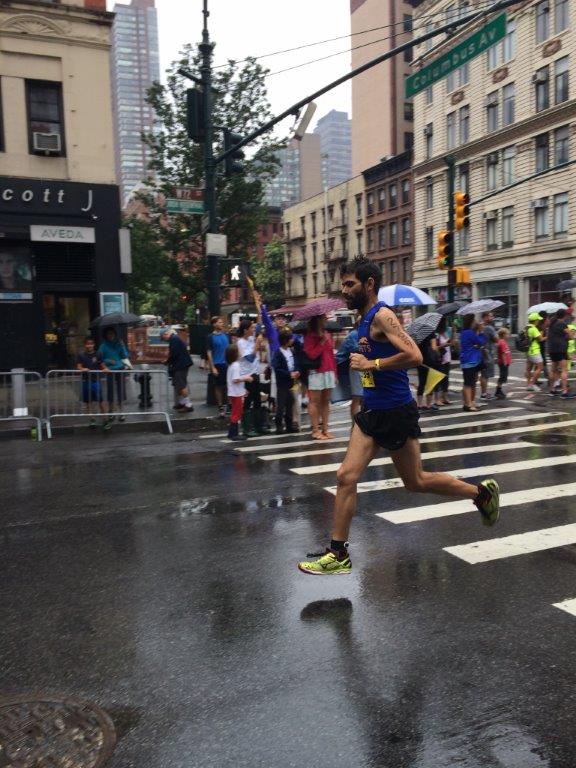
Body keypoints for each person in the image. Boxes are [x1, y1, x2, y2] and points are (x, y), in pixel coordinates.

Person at [297, 257, 500, 576]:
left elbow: (414, 356)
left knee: (416, 481)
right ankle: (338, 554)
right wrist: (360, 360)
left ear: (369, 284)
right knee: (346, 476)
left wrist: (371, 365)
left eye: (349, 284)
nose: (344, 291)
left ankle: (481, 494)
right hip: (372, 411)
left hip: (396, 412)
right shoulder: (364, 318)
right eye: (342, 285)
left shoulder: (383, 315)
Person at [303, 315, 337, 440]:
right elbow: (311, 355)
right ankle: (315, 430)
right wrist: (321, 342)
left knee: (326, 401)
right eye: (323, 318)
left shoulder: (327, 334)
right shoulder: (310, 336)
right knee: (314, 401)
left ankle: (325, 430)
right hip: (316, 371)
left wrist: (335, 373)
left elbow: (331, 355)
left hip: (328, 370)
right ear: (318, 320)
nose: (326, 320)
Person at [237, 318, 267, 436]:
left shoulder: (251, 338)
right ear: (245, 330)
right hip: (246, 376)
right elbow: (250, 358)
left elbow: (259, 325)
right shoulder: (240, 343)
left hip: (255, 373)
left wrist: (260, 313)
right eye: (251, 328)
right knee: (248, 401)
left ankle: (258, 426)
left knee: (257, 400)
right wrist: (257, 345)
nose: (253, 329)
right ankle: (247, 428)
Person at [271, 328, 301, 434]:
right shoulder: (278, 353)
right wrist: (289, 374)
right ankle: (279, 425)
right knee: (281, 403)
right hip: (282, 382)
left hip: (291, 382)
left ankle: (289, 424)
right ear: (285, 340)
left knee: (290, 402)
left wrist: (297, 371)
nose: (292, 340)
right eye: (290, 339)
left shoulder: (291, 351)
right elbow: (277, 368)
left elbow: (295, 362)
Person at [75, 337, 108, 428]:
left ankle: (105, 420)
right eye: (87, 344)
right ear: (85, 345)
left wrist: (105, 368)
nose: (89, 346)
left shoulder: (98, 354)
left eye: (91, 344)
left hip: (96, 380)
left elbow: (102, 364)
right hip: (86, 381)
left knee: (100, 401)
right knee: (88, 401)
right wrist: (83, 369)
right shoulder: (81, 355)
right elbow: (78, 367)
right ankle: (92, 419)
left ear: (93, 345)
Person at [98, 327, 129, 420]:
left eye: (112, 333)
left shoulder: (118, 344)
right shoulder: (103, 346)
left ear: (115, 335)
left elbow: (125, 356)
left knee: (121, 391)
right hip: (110, 370)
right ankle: (111, 412)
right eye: (109, 334)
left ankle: (121, 412)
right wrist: (108, 361)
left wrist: (123, 346)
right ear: (106, 335)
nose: (110, 335)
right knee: (110, 391)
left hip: (120, 369)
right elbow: (99, 357)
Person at [160, 326, 194, 413]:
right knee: (179, 385)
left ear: (166, 334)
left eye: (163, 338)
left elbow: (174, 354)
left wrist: (167, 361)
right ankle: (182, 402)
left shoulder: (174, 339)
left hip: (180, 365)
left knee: (181, 385)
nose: (164, 340)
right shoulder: (174, 339)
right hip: (181, 364)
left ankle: (188, 405)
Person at [334, 324, 363, 420]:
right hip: (356, 368)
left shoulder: (364, 334)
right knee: (357, 396)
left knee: (365, 395)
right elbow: (353, 349)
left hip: (365, 367)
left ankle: (363, 422)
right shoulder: (354, 334)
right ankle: (355, 423)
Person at [225, 344, 252, 441]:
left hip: (234, 392)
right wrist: (246, 378)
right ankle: (234, 434)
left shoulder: (232, 365)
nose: (241, 352)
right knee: (237, 413)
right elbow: (235, 379)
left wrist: (243, 390)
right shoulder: (236, 365)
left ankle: (231, 433)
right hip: (236, 393)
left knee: (235, 412)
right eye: (239, 351)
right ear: (235, 354)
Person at [459, 315, 485, 412]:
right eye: (474, 320)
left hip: (468, 360)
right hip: (470, 361)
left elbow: (475, 344)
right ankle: (469, 404)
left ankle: (468, 403)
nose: (475, 322)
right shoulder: (469, 332)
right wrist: (481, 331)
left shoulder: (464, 332)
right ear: (470, 322)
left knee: (469, 382)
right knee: (468, 383)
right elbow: (480, 342)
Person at [546, 309, 575, 399]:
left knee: (553, 370)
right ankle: (564, 392)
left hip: (552, 349)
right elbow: (571, 336)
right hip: (561, 349)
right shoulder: (562, 323)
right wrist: (571, 334)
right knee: (564, 370)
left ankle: (552, 390)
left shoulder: (552, 323)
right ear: (564, 315)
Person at [206, 316, 230, 418]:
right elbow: (209, 353)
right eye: (219, 322)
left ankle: (229, 405)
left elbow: (230, 349)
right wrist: (212, 367)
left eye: (222, 322)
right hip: (217, 364)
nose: (222, 324)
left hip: (228, 364)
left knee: (229, 385)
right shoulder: (210, 337)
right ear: (214, 324)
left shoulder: (226, 335)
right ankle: (220, 407)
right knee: (219, 386)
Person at [416, 331, 442, 412]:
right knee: (430, 383)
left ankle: (419, 404)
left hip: (420, 361)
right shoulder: (431, 332)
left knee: (421, 382)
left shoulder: (417, 333)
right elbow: (434, 348)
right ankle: (428, 405)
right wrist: (438, 351)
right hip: (430, 361)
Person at [479, 311, 497, 400]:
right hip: (488, 354)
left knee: (483, 374)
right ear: (485, 317)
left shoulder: (480, 326)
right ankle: (484, 394)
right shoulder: (489, 328)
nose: (492, 318)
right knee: (485, 375)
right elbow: (496, 339)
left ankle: (484, 393)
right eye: (491, 316)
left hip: (481, 352)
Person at [525, 312, 544, 391]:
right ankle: (532, 384)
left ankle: (528, 385)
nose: (539, 321)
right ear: (535, 320)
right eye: (538, 320)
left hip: (528, 351)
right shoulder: (534, 329)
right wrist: (546, 336)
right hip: (535, 351)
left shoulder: (526, 328)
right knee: (540, 367)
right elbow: (541, 339)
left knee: (528, 369)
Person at [436, 317, 453, 405]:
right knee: (440, 379)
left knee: (446, 379)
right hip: (441, 359)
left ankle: (445, 397)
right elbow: (435, 348)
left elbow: (450, 343)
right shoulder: (437, 335)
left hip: (447, 358)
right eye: (446, 322)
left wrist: (454, 332)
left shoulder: (445, 334)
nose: (447, 324)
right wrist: (444, 345)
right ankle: (438, 398)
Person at [495, 327, 512, 400]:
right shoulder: (502, 342)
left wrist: (509, 360)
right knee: (502, 377)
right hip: (503, 363)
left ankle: (498, 390)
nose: (508, 335)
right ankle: (498, 391)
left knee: (503, 377)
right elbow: (503, 353)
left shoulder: (503, 341)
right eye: (507, 334)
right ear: (503, 334)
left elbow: (506, 352)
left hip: (504, 363)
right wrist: (505, 363)